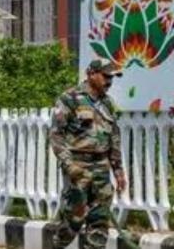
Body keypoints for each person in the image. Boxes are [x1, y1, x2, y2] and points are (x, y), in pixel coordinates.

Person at [49, 60, 138, 249]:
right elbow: (56, 134)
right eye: (105, 76)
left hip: (101, 169)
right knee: (74, 220)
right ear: (91, 74)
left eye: (112, 77)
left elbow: (113, 138)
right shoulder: (70, 98)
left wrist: (118, 171)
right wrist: (68, 164)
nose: (109, 81)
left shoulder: (107, 103)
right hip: (77, 167)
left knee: (99, 223)